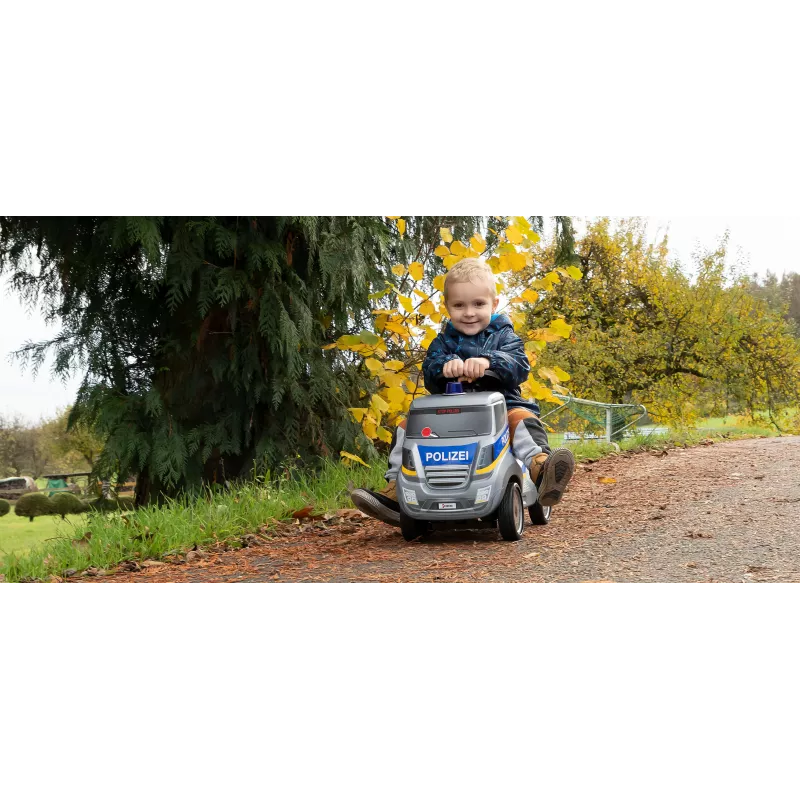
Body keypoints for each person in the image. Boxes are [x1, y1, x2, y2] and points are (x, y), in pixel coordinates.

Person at [350, 258, 575, 526]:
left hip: (501, 409)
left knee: (521, 420)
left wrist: (490, 361)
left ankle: (541, 468)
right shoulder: (442, 343)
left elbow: (520, 366)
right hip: (451, 414)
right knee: (406, 427)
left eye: (478, 304)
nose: (469, 312)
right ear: (448, 308)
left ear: (493, 304)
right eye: (459, 305)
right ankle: (397, 487)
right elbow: (430, 372)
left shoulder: (505, 337)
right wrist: (443, 368)